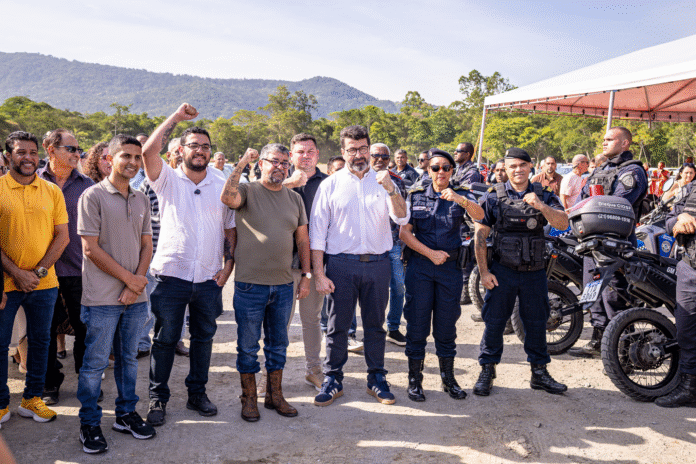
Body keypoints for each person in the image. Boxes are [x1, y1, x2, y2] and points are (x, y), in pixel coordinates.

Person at [141, 103, 236, 426]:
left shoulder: (221, 182)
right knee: (165, 340)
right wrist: (177, 117)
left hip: (209, 278)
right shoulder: (166, 179)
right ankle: (157, 398)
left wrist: (228, 265)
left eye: (205, 146)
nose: (200, 151)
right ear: (180, 150)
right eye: (194, 145)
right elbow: (148, 151)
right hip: (171, 276)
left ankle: (197, 394)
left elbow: (230, 228)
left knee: (203, 338)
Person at [310, 125, 409, 406]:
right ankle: (333, 379)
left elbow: (402, 218)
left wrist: (391, 189)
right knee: (337, 326)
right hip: (341, 264)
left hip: (378, 264)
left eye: (363, 148)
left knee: (376, 326)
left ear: (369, 150)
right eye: (352, 150)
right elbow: (317, 233)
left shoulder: (385, 182)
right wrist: (319, 273)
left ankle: (376, 378)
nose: (358, 154)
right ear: (343, 152)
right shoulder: (330, 185)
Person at [76, 134, 155, 454]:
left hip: (135, 297)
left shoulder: (141, 198)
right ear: (109, 158)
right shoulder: (92, 196)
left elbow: (147, 244)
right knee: (95, 363)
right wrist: (130, 281)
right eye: (126, 156)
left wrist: (137, 283)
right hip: (102, 299)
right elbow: (90, 249)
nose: (133, 162)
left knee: (129, 360)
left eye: (137, 157)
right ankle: (89, 422)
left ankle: (125, 414)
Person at [221, 143, 309, 422]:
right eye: (274, 161)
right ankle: (249, 398)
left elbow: (303, 240)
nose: (280, 167)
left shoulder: (294, 199)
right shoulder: (248, 191)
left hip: (283, 285)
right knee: (248, 346)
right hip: (250, 285)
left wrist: (306, 276)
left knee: (278, 345)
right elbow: (227, 197)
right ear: (261, 164)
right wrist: (241, 163)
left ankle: (275, 395)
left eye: (285, 163)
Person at [473, 147, 568, 396]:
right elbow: (480, 236)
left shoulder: (543, 194)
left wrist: (541, 206)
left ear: (530, 166)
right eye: (512, 166)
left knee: (536, 323)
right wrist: (484, 272)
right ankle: (487, 370)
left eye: (522, 165)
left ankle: (539, 373)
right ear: (505, 168)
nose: (517, 170)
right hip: (502, 271)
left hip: (533, 272)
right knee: (494, 322)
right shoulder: (493, 196)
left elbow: (563, 223)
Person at [399, 149, 484, 402]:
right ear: (428, 170)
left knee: (446, 327)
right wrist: (430, 254)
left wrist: (460, 199)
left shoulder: (462, 194)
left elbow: (481, 216)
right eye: (435, 168)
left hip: (450, 270)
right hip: (420, 268)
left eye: (446, 168)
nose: (441, 172)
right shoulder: (415, 195)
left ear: (452, 171)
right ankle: (415, 380)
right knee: (417, 326)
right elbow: (404, 233)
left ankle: (448, 379)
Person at [0, 131, 69, 427]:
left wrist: (37, 272)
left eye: (32, 152)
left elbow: (62, 236)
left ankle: (32, 399)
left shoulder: (51, 191)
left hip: (44, 283)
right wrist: (17, 273)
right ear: (8, 157)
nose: (28, 157)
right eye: (20, 152)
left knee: (41, 342)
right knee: (1, 344)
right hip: (5, 284)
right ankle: (1, 404)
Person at [569, 127, 648, 358]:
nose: (604, 142)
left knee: (614, 296)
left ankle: (624, 351)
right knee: (592, 292)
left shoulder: (633, 171)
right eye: (603, 139)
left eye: (610, 139)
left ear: (625, 143)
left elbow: (619, 203)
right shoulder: (600, 169)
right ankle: (598, 341)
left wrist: (593, 204)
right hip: (592, 242)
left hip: (617, 244)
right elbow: (581, 200)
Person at [37, 129, 95, 405]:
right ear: (50, 149)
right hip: (40, 271)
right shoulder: (33, 182)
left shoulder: (87, 186)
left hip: (78, 270)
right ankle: (49, 383)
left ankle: (87, 381)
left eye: (79, 150)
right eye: (71, 149)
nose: (77, 154)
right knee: (45, 332)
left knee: (84, 329)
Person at [280, 133, 329, 390]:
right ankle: (271, 373)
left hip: (315, 262)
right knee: (280, 322)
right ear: (291, 156)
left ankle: (314, 369)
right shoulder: (278, 180)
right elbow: (257, 198)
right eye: (300, 152)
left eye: (310, 151)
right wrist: (288, 183)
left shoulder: (328, 183)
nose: (306, 156)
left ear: (317, 155)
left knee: (312, 319)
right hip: (282, 263)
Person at [320, 156, 363, 353]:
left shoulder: (355, 190)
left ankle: (350, 334)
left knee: (349, 296)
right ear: (329, 172)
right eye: (338, 169)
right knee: (327, 293)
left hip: (346, 254)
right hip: (325, 251)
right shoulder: (325, 189)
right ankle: (325, 330)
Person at [659, 180, 696, 407]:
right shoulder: (691, 189)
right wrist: (680, 218)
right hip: (690, 268)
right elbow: (668, 221)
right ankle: (689, 388)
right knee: (686, 331)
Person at [370, 143, 407, 346]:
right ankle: (352, 332)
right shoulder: (360, 180)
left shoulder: (397, 181)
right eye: (375, 155)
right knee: (364, 289)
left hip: (392, 244)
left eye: (384, 156)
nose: (380, 159)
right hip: (367, 245)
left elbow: (404, 215)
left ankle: (393, 328)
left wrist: (403, 245)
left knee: (399, 287)